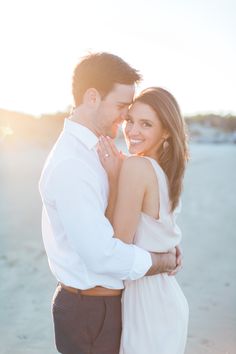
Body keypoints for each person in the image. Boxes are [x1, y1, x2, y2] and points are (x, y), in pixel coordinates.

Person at [39, 53, 181, 354]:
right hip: (91, 310)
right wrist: (162, 260)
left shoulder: (100, 152)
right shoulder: (72, 164)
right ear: (92, 97)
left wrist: (162, 244)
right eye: (121, 108)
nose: (124, 120)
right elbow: (102, 255)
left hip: (109, 306)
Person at [98, 87, 189, 354]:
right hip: (165, 297)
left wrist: (115, 181)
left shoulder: (136, 167)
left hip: (148, 304)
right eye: (130, 121)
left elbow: (119, 243)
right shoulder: (165, 172)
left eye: (146, 124)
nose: (132, 131)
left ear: (166, 132)